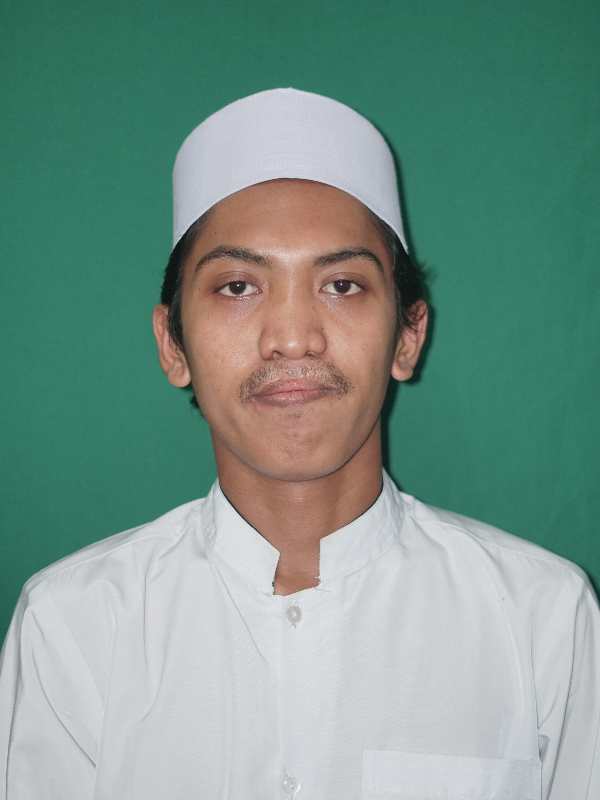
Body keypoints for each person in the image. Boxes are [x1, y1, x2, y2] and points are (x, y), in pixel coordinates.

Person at [0, 89, 598, 800]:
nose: (292, 336)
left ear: (408, 336)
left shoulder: (542, 620)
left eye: (342, 284)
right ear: (172, 343)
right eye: (237, 287)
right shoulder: (73, 626)